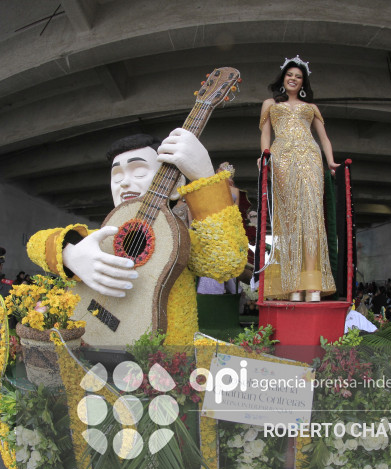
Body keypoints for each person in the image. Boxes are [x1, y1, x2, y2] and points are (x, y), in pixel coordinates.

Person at [27, 129, 247, 347]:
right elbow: (35, 243)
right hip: (90, 345)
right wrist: (70, 254)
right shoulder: (102, 238)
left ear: (175, 186)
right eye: (117, 175)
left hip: (165, 361)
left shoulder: (179, 240)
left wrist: (205, 177)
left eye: (139, 172)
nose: (124, 183)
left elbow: (226, 262)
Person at [259, 55, 338, 302]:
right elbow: (265, 135)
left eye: (299, 77)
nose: (293, 79)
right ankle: (293, 285)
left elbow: (324, 138)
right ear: (283, 78)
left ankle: (312, 285)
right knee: (290, 219)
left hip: (311, 158)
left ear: (303, 83)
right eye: (290, 75)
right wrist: (266, 158)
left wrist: (330, 161)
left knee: (312, 217)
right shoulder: (270, 103)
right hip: (282, 158)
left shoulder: (311, 107)